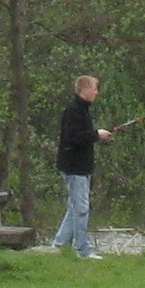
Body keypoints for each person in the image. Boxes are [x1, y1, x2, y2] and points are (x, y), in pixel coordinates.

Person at [53, 74, 113, 258]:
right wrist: (96, 135)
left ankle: (59, 244)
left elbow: (84, 136)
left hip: (81, 167)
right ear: (84, 90)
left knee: (74, 207)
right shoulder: (74, 111)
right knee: (81, 209)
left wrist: (98, 136)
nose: (96, 92)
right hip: (74, 167)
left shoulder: (83, 110)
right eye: (94, 88)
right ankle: (83, 250)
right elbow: (73, 138)